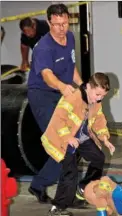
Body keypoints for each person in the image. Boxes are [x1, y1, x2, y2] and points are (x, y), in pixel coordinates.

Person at [27, 3, 83, 204]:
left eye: (65, 23)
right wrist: (61, 86)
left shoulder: (70, 38)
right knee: (64, 142)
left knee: (75, 141)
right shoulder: (43, 47)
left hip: (61, 94)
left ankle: (40, 185)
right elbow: (47, 75)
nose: (62, 29)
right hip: (42, 96)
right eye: (57, 24)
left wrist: (82, 85)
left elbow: (71, 66)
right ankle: (67, 195)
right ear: (48, 23)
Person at [41, 72, 116, 216]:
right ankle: (57, 208)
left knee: (99, 158)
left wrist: (105, 138)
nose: (99, 99)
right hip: (63, 138)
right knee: (70, 172)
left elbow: (99, 119)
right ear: (88, 86)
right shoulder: (72, 97)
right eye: (97, 94)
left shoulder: (96, 101)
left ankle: (83, 188)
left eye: (102, 96)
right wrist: (68, 137)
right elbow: (58, 119)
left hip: (80, 138)